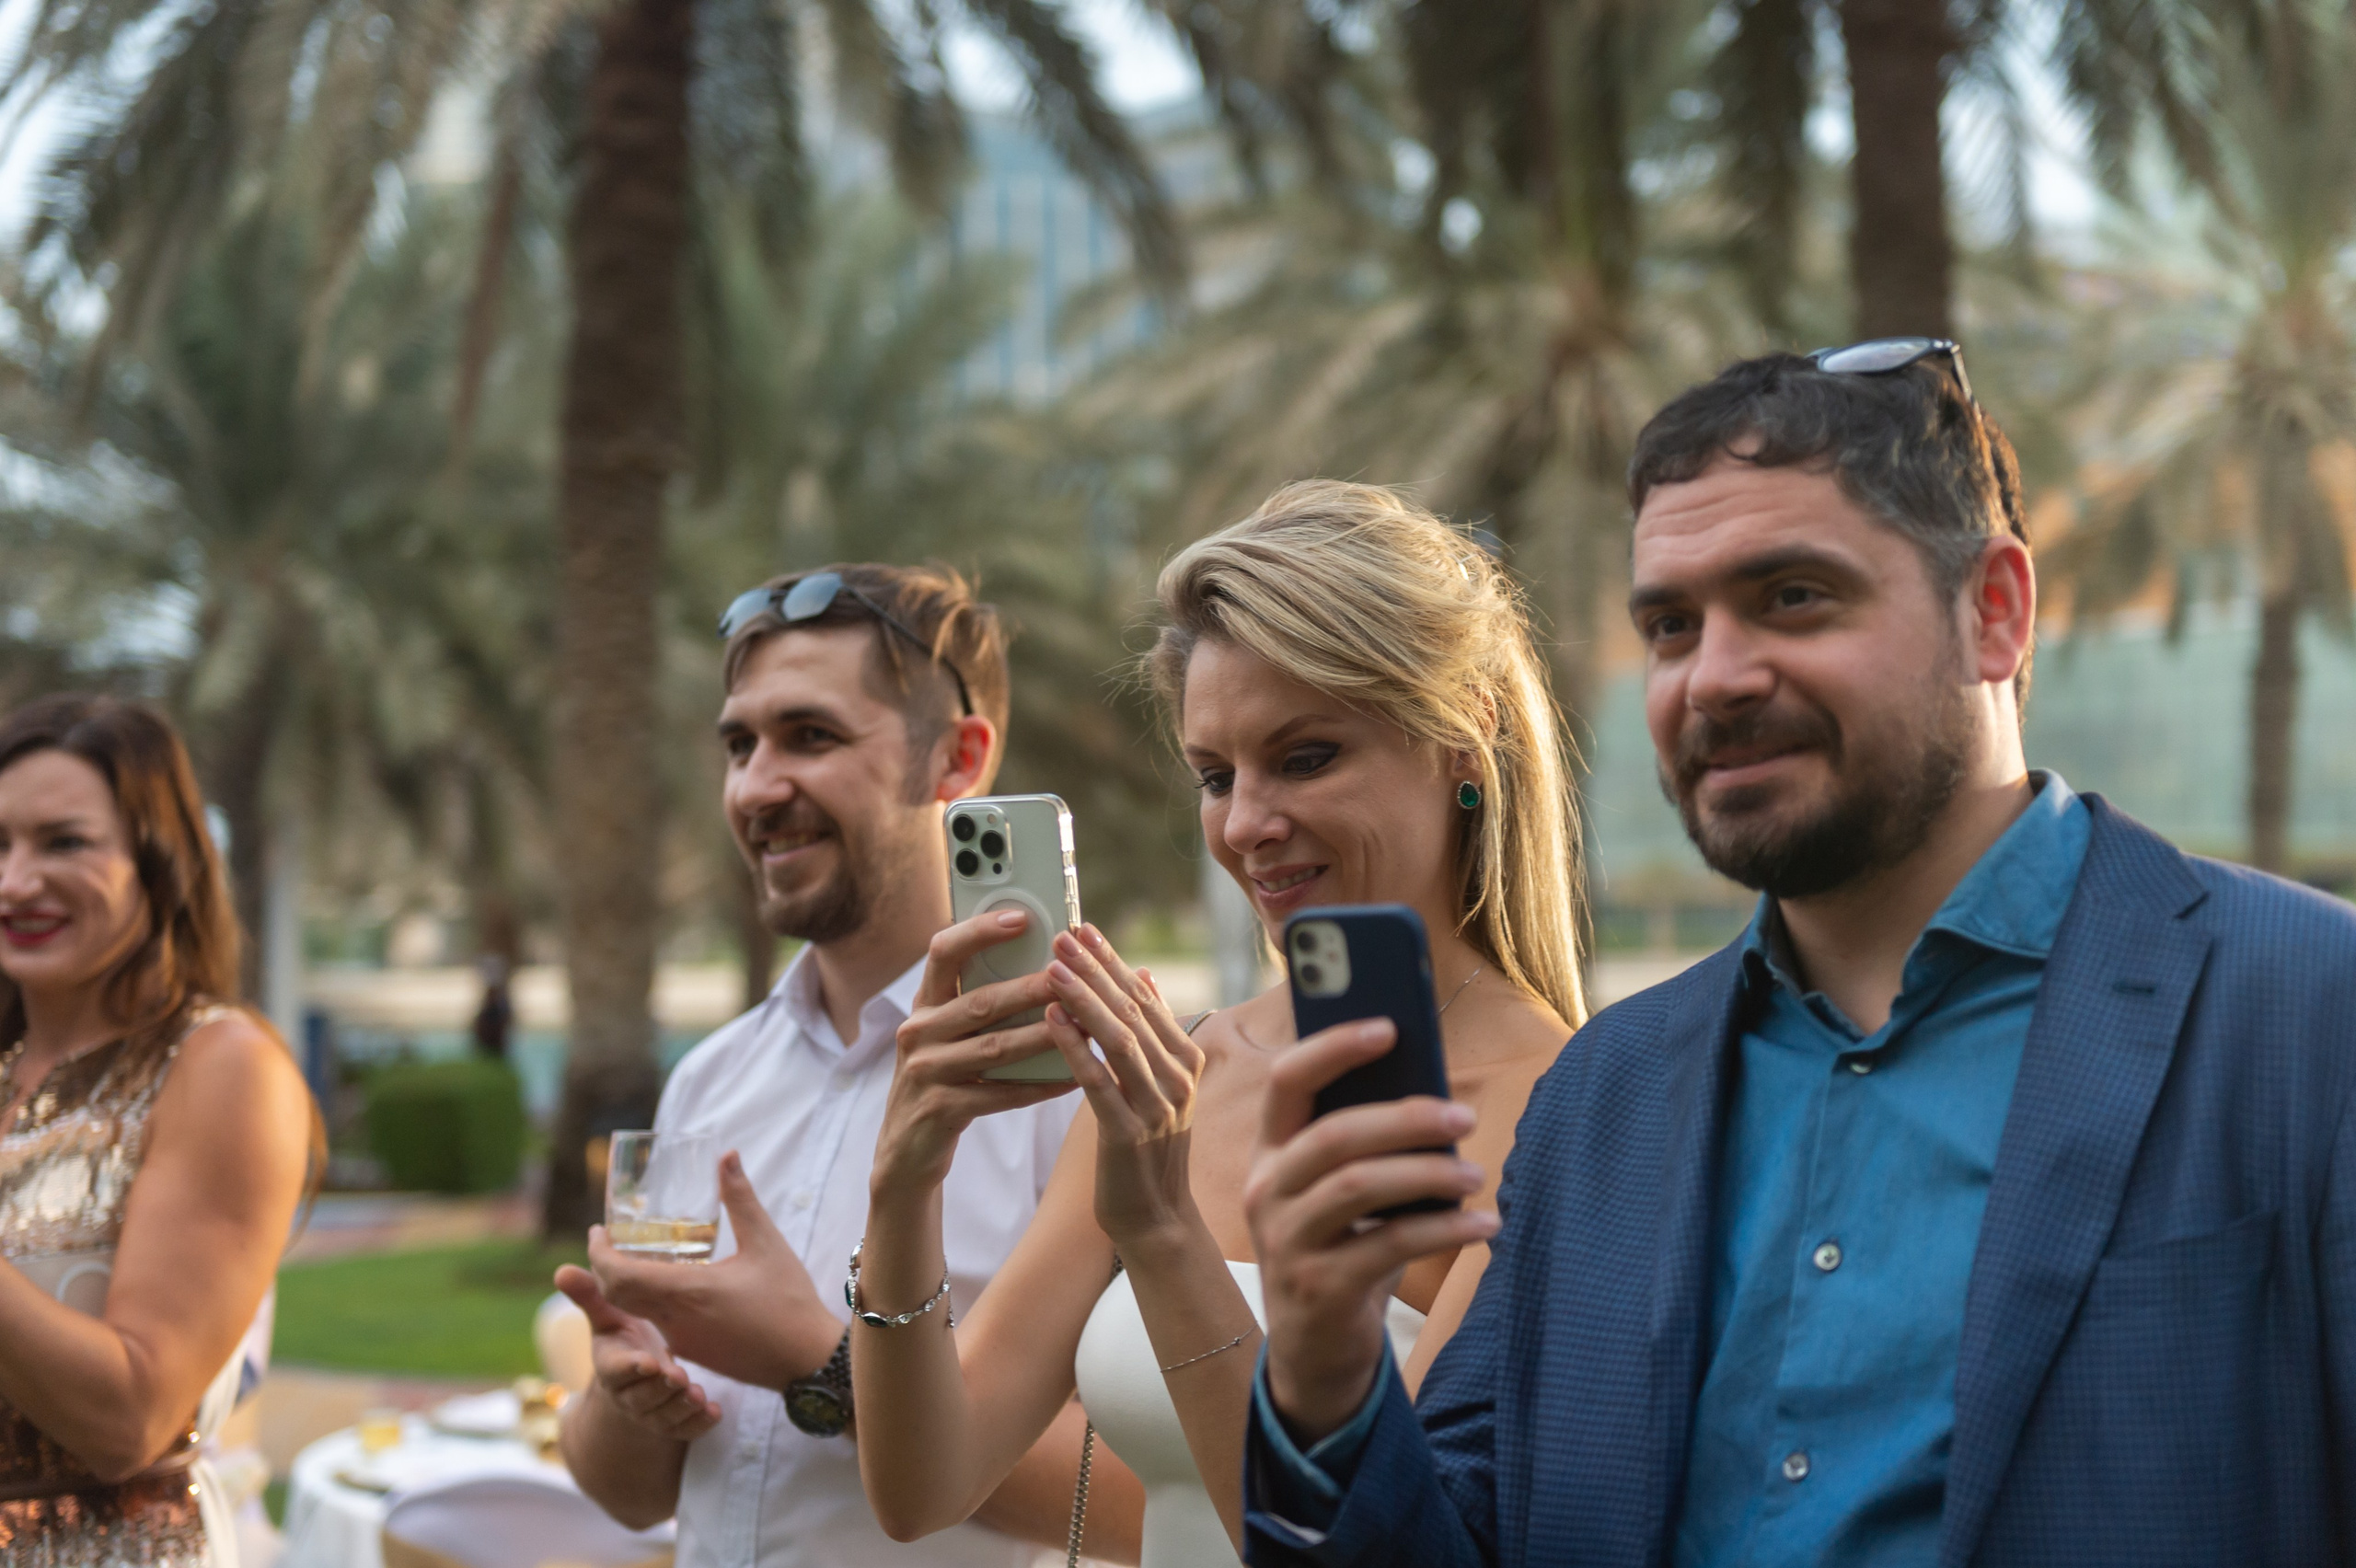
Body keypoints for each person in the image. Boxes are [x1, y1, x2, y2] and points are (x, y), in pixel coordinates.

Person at [1242, 340, 2356, 1567]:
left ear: (1994, 611)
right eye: (1670, 625)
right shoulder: (1601, 1102)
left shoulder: (2305, 1014)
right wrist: (1324, 1372)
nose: (1713, 679)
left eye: (1793, 598)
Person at [853, 481, 1587, 1567]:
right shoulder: (1172, 1077)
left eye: (1305, 758)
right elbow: (925, 1485)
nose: (1247, 825)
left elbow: (1367, 1544)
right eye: (1214, 775)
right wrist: (903, 1184)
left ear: (1461, 734)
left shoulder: (1566, 1112)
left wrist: (1160, 1237)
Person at [552, 562, 1129, 1567]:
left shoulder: (1079, 1081)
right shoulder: (708, 1082)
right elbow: (629, 1498)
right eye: (740, 744)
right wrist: (626, 1392)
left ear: (958, 760)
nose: (757, 787)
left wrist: (810, 1357)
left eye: (809, 737)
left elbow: (1138, 1498)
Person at [0, 693, 318, 1567]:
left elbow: (132, 1417)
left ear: (160, 860)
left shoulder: (222, 1067)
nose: (15, 881)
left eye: (63, 842)